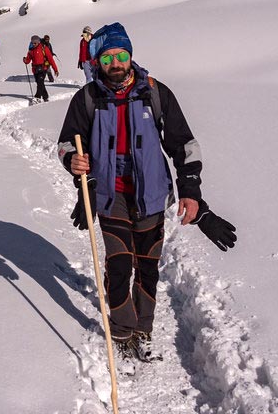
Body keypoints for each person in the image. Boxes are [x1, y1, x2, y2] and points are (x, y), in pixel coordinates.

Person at [57, 22, 237, 367]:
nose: (115, 63)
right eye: (107, 57)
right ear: (97, 61)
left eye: (121, 55)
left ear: (130, 55)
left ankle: (143, 330)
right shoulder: (88, 98)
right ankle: (122, 332)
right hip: (110, 195)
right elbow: (67, 142)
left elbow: (184, 146)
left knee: (148, 267)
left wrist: (192, 195)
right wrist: (74, 163)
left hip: (151, 195)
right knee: (119, 265)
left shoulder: (155, 93)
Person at [23, 35, 58, 102]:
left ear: (38, 42)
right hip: (35, 70)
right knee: (40, 83)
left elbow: (51, 59)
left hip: (43, 69)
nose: (33, 44)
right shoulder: (31, 50)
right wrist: (25, 60)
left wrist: (55, 70)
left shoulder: (44, 48)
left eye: (35, 43)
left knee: (40, 82)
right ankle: (45, 97)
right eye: (32, 43)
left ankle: (37, 97)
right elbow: (28, 60)